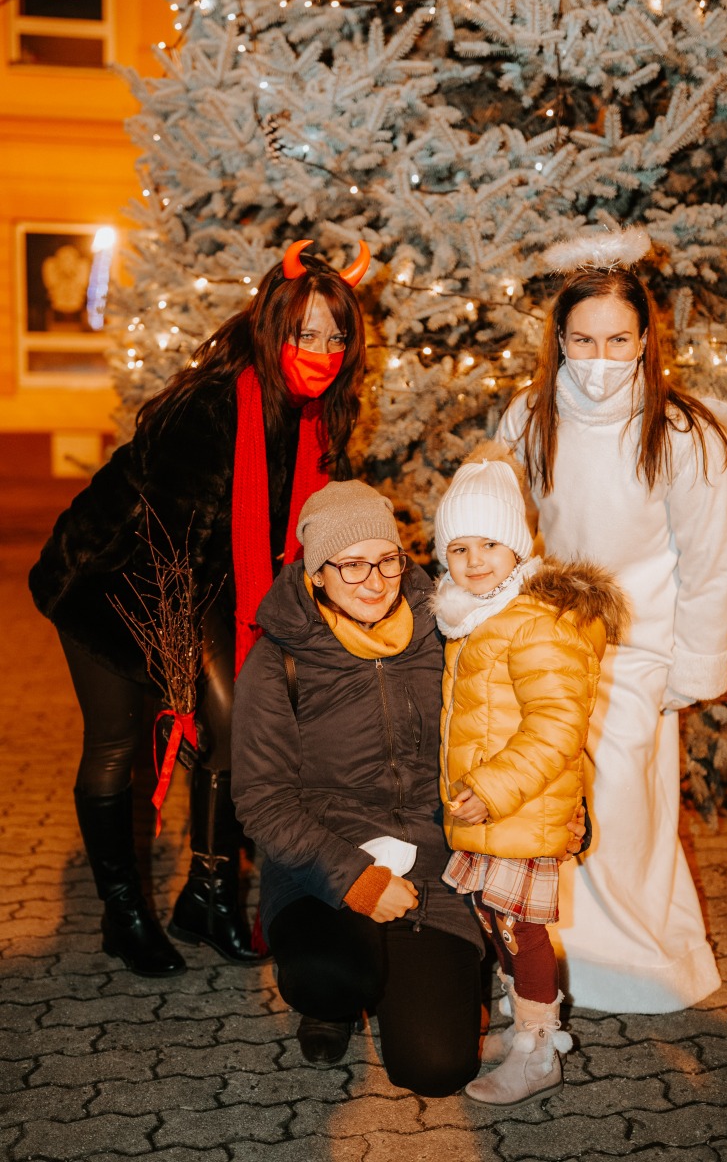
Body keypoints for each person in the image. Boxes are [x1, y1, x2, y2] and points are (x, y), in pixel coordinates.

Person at [28, 238, 371, 977]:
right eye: (306, 333)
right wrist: (178, 682)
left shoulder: (314, 417)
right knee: (116, 744)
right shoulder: (214, 406)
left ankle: (208, 896)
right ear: (272, 327)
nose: (322, 351)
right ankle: (123, 913)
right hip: (108, 581)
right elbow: (165, 549)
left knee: (234, 723)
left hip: (202, 581)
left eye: (335, 337)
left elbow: (303, 531)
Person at [497, 228, 727, 1013]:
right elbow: (505, 523)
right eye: (583, 341)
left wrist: (690, 667)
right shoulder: (530, 419)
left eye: (617, 341)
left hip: (639, 652)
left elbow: (713, 561)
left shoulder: (683, 434)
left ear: (644, 340)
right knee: (548, 795)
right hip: (550, 643)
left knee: (623, 808)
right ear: (559, 340)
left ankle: (639, 957)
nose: (599, 359)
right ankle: (553, 950)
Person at [231, 480, 486, 1097]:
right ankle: (335, 1001)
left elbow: (504, 725)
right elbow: (262, 801)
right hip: (321, 864)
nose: (374, 582)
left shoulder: (445, 631)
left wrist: (556, 809)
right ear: (317, 574)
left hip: (431, 864)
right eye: (350, 565)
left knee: (436, 1068)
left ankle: (406, 978)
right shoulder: (277, 661)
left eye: (386, 560)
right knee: (331, 974)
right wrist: (356, 881)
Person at [432, 441, 627, 1106]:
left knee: (520, 929)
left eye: (490, 544)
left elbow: (556, 725)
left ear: (517, 546)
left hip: (518, 806)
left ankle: (539, 1051)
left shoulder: (534, 622)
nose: (474, 560)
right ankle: (528, 1023)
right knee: (497, 922)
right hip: (490, 813)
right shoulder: (474, 616)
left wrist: (490, 789)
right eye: (460, 548)